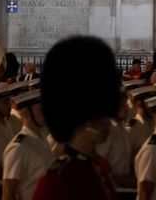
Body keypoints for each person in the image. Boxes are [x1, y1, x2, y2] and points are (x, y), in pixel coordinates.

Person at [33, 36, 120, 200]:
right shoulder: (57, 182)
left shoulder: (101, 167)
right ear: (78, 116)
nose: (106, 120)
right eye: (96, 115)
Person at [2, 88, 53, 200]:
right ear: (27, 112)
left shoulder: (43, 138)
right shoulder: (18, 147)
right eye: (41, 109)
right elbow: (8, 194)